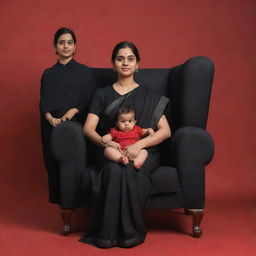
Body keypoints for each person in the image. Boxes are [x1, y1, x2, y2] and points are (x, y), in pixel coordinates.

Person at [81, 41, 171, 248]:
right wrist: (107, 146)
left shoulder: (150, 95)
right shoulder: (102, 94)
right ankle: (106, 235)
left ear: (138, 64)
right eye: (120, 58)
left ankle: (131, 233)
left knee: (131, 169)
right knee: (113, 170)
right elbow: (88, 129)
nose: (125, 63)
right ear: (113, 64)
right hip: (110, 149)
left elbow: (166, 131)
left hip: (142, 150)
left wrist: (139, 146)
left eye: (130, 58)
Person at [39, 27, 96, 234]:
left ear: (75, 47)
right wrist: (50, 118)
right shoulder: (48, 74)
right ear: (55, 47)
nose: (66, 46)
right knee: (55, 165)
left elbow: (90, 101)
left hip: (76, 125)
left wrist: (74, 111)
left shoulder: (84, 73)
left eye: (69, 42)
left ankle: (78, 205)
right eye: (61, 42)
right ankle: (65, 206)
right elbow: (43, 102)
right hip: (51, 125)